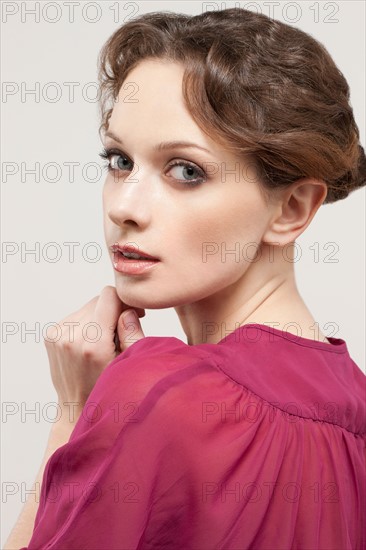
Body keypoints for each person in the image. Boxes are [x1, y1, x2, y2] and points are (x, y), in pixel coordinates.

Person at [5, 7, 365, 550]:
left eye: (186, 171)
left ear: (291, 208)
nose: (124, 207)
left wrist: (73, 415)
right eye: (119, 160)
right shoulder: (355, 410)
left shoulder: (160, 393)